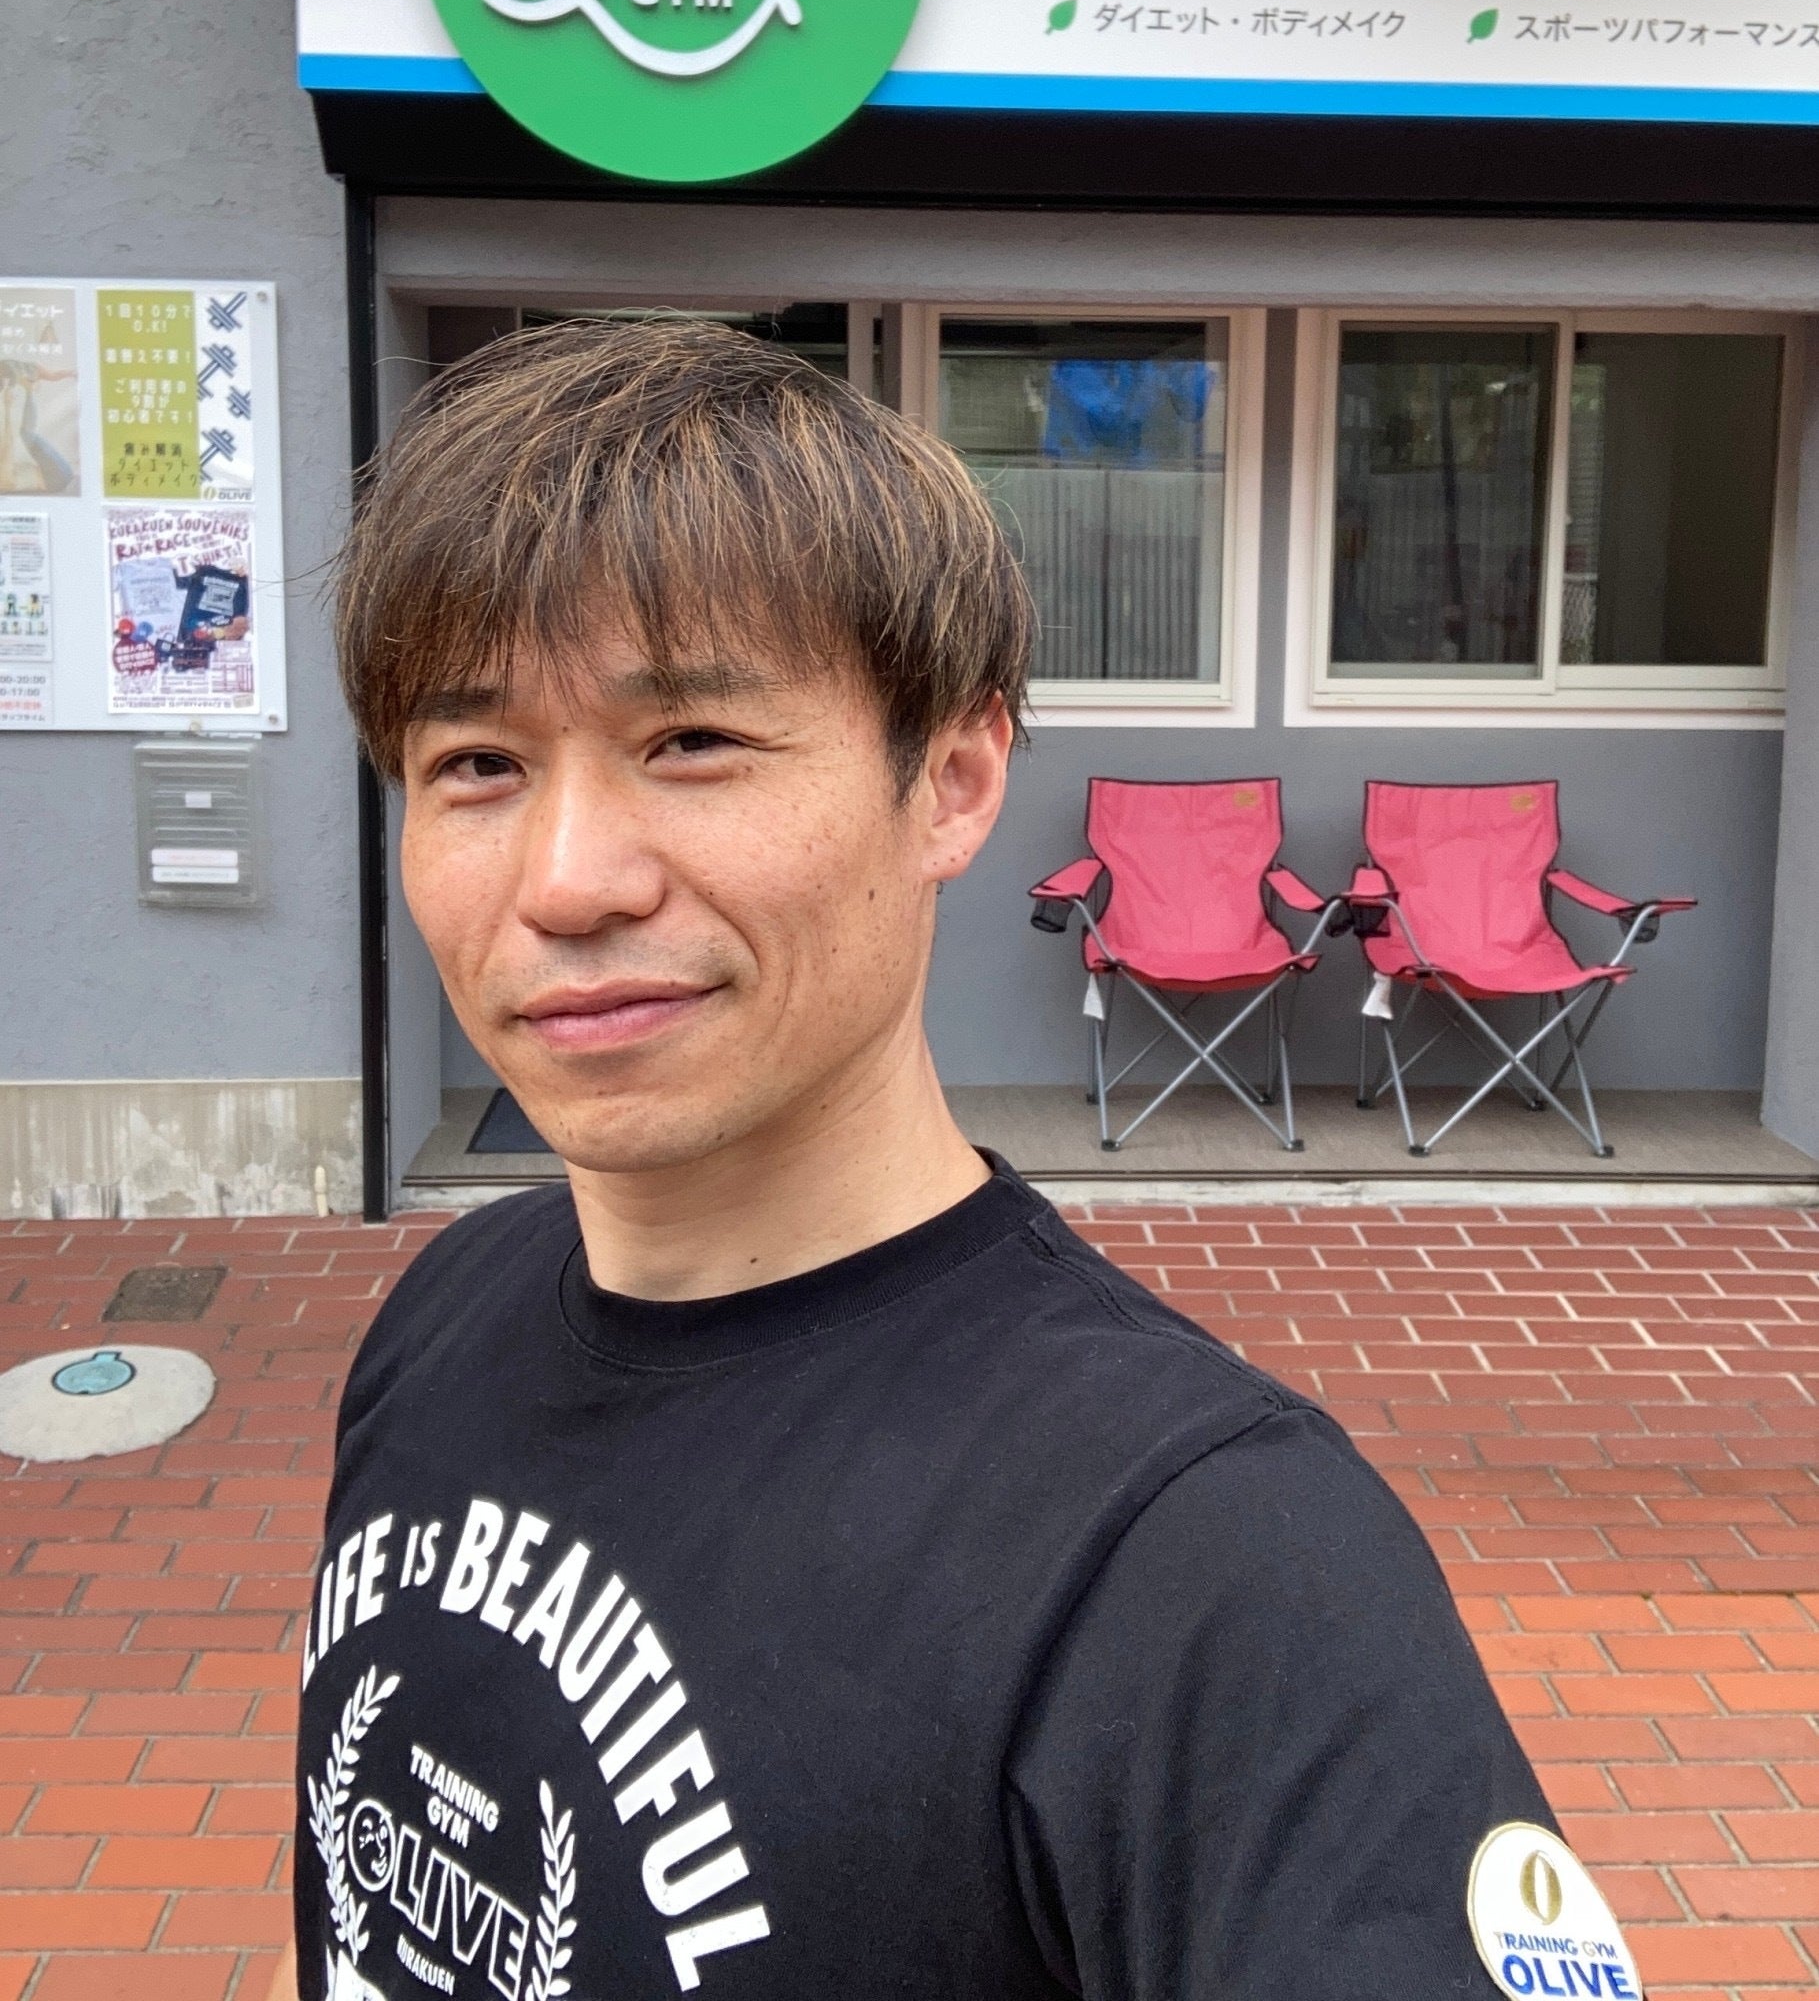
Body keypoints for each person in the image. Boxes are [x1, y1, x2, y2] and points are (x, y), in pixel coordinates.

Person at [274, 318, 1634, 2001]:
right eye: (476, 765)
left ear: (956, 780)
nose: (565, 882)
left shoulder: (1212, 1563)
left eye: (691, 740)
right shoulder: (441, 1317)